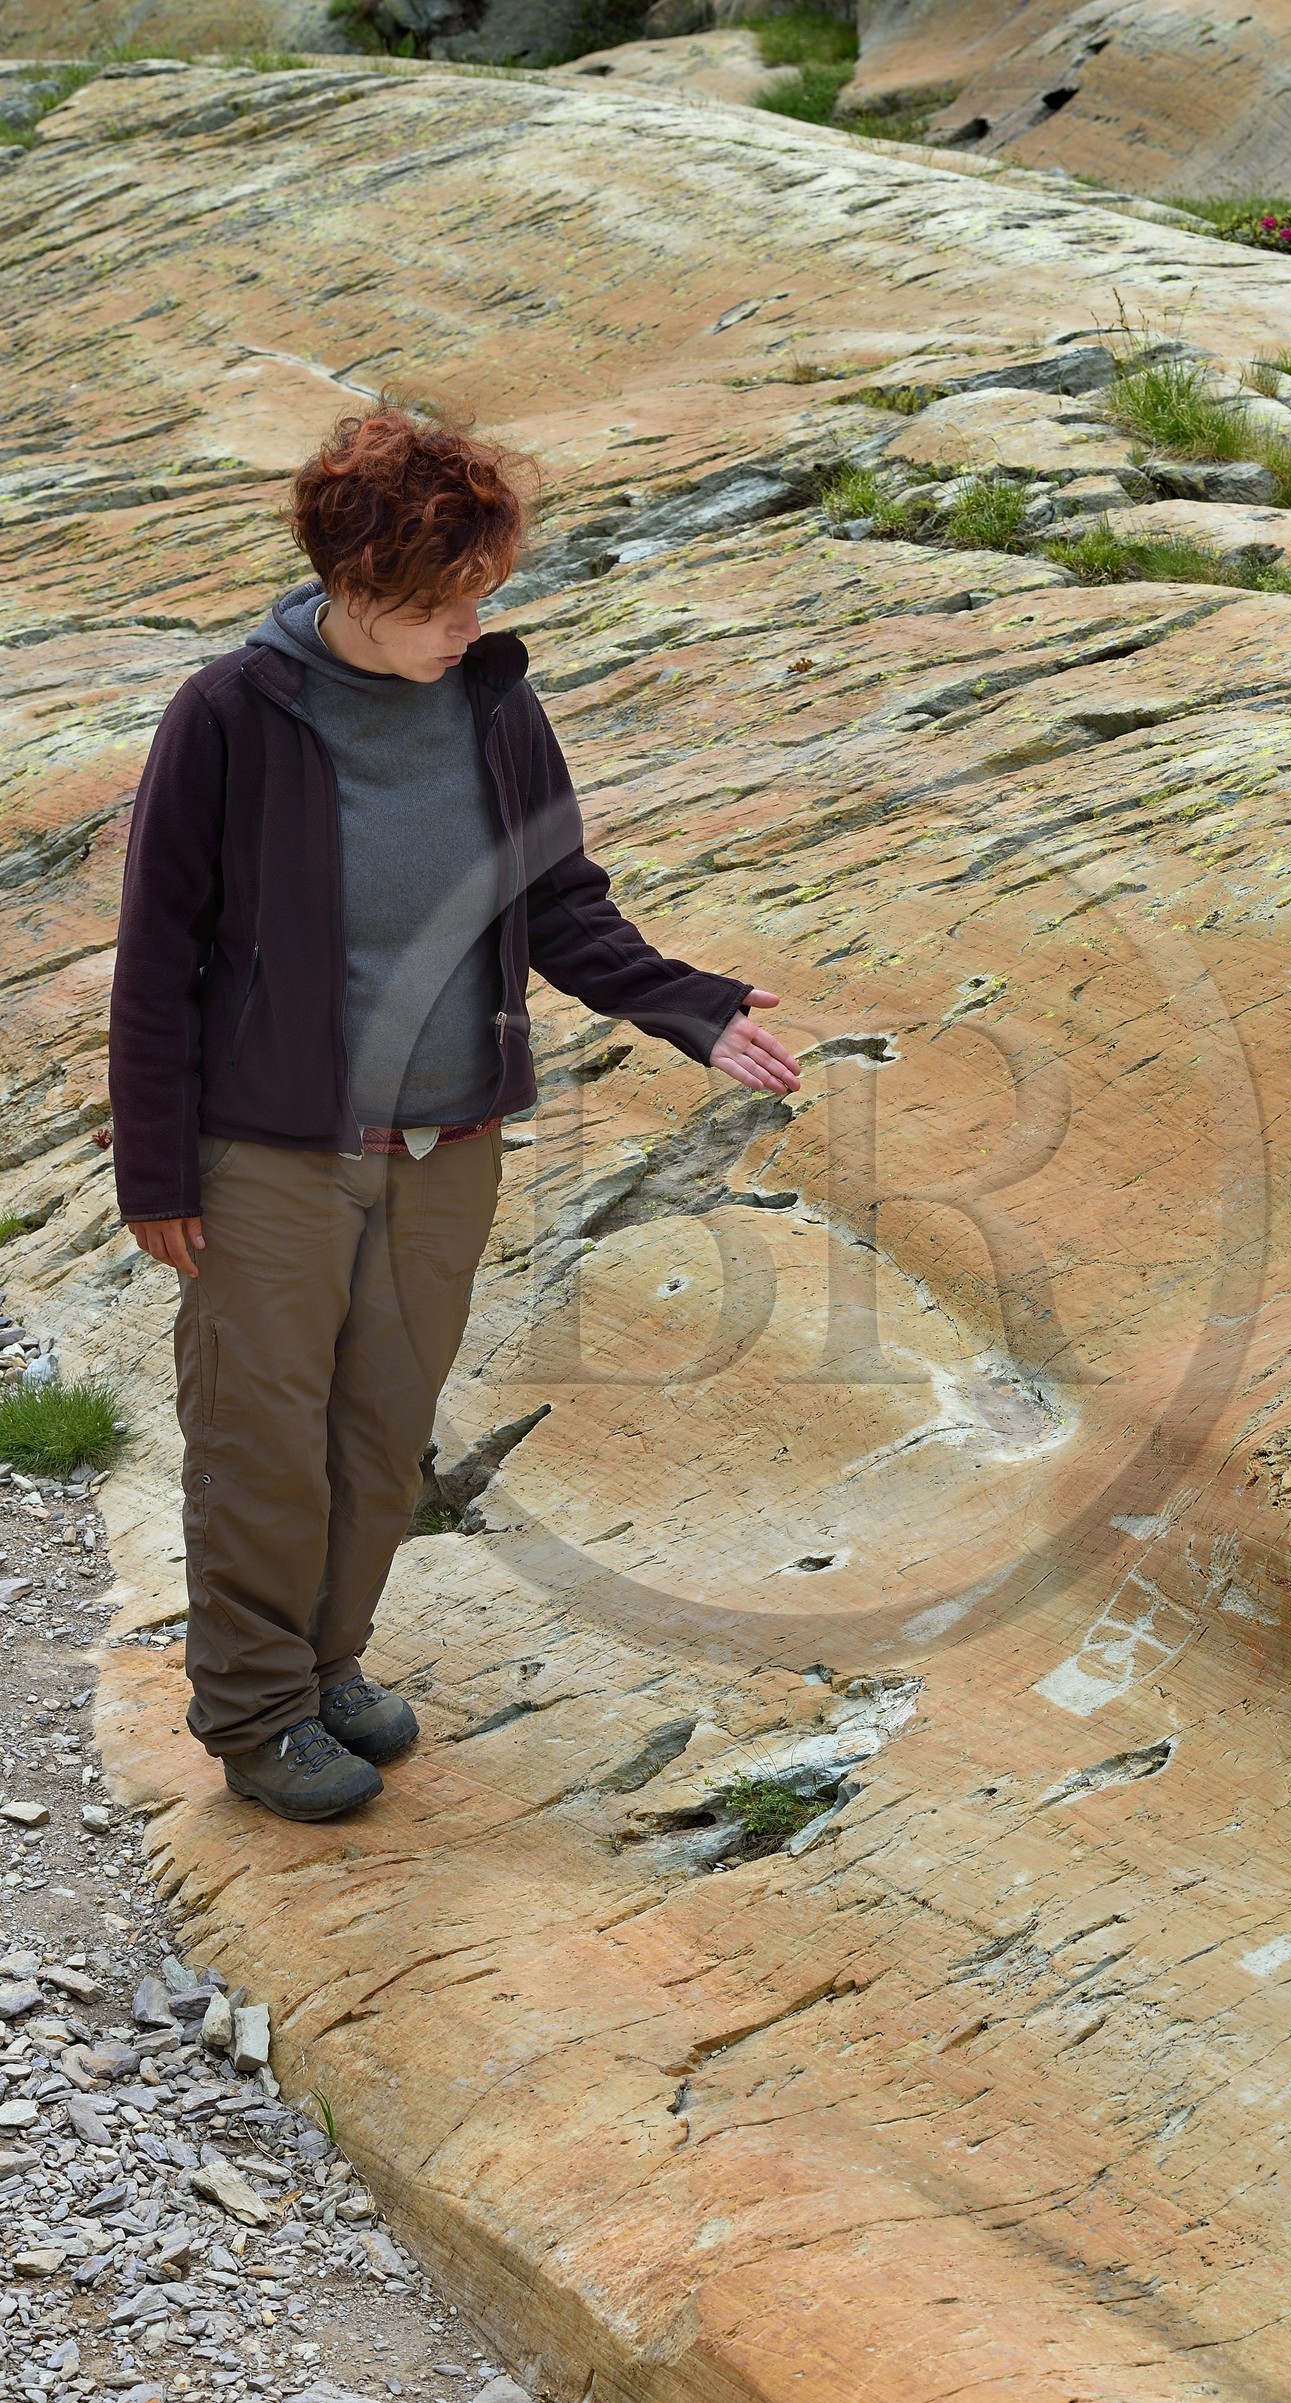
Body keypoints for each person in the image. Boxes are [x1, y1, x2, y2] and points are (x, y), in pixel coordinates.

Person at [107, 406, 801, 1824]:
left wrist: (681, 1004)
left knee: (380, 1437)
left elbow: (556, 899)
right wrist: (157, 1169)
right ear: (359, 585)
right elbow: (157, 955)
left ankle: (325, 1665)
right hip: (273, 1155)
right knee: (262, 1439)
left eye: (482, 589)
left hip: (449, 1152)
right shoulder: (232, 713)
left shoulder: (491, 700)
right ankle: (253, 1715)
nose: (471, 622)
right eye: (443, 600)